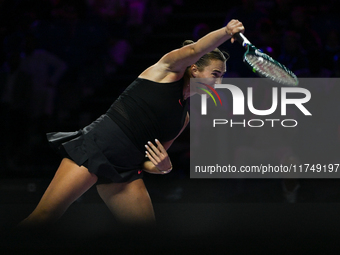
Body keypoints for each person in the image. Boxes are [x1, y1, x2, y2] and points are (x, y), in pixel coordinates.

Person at [18, 19, 245, 228]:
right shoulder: (166, 70)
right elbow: (197, 49)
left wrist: (163, 167)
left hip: (126, 170)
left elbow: (150, 161)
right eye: (215, 73)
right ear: (194, 68)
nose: (219, 81)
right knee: (43, 218)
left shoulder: (184, 117)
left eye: (222, 76)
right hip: (98, 146)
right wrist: (226, 32)